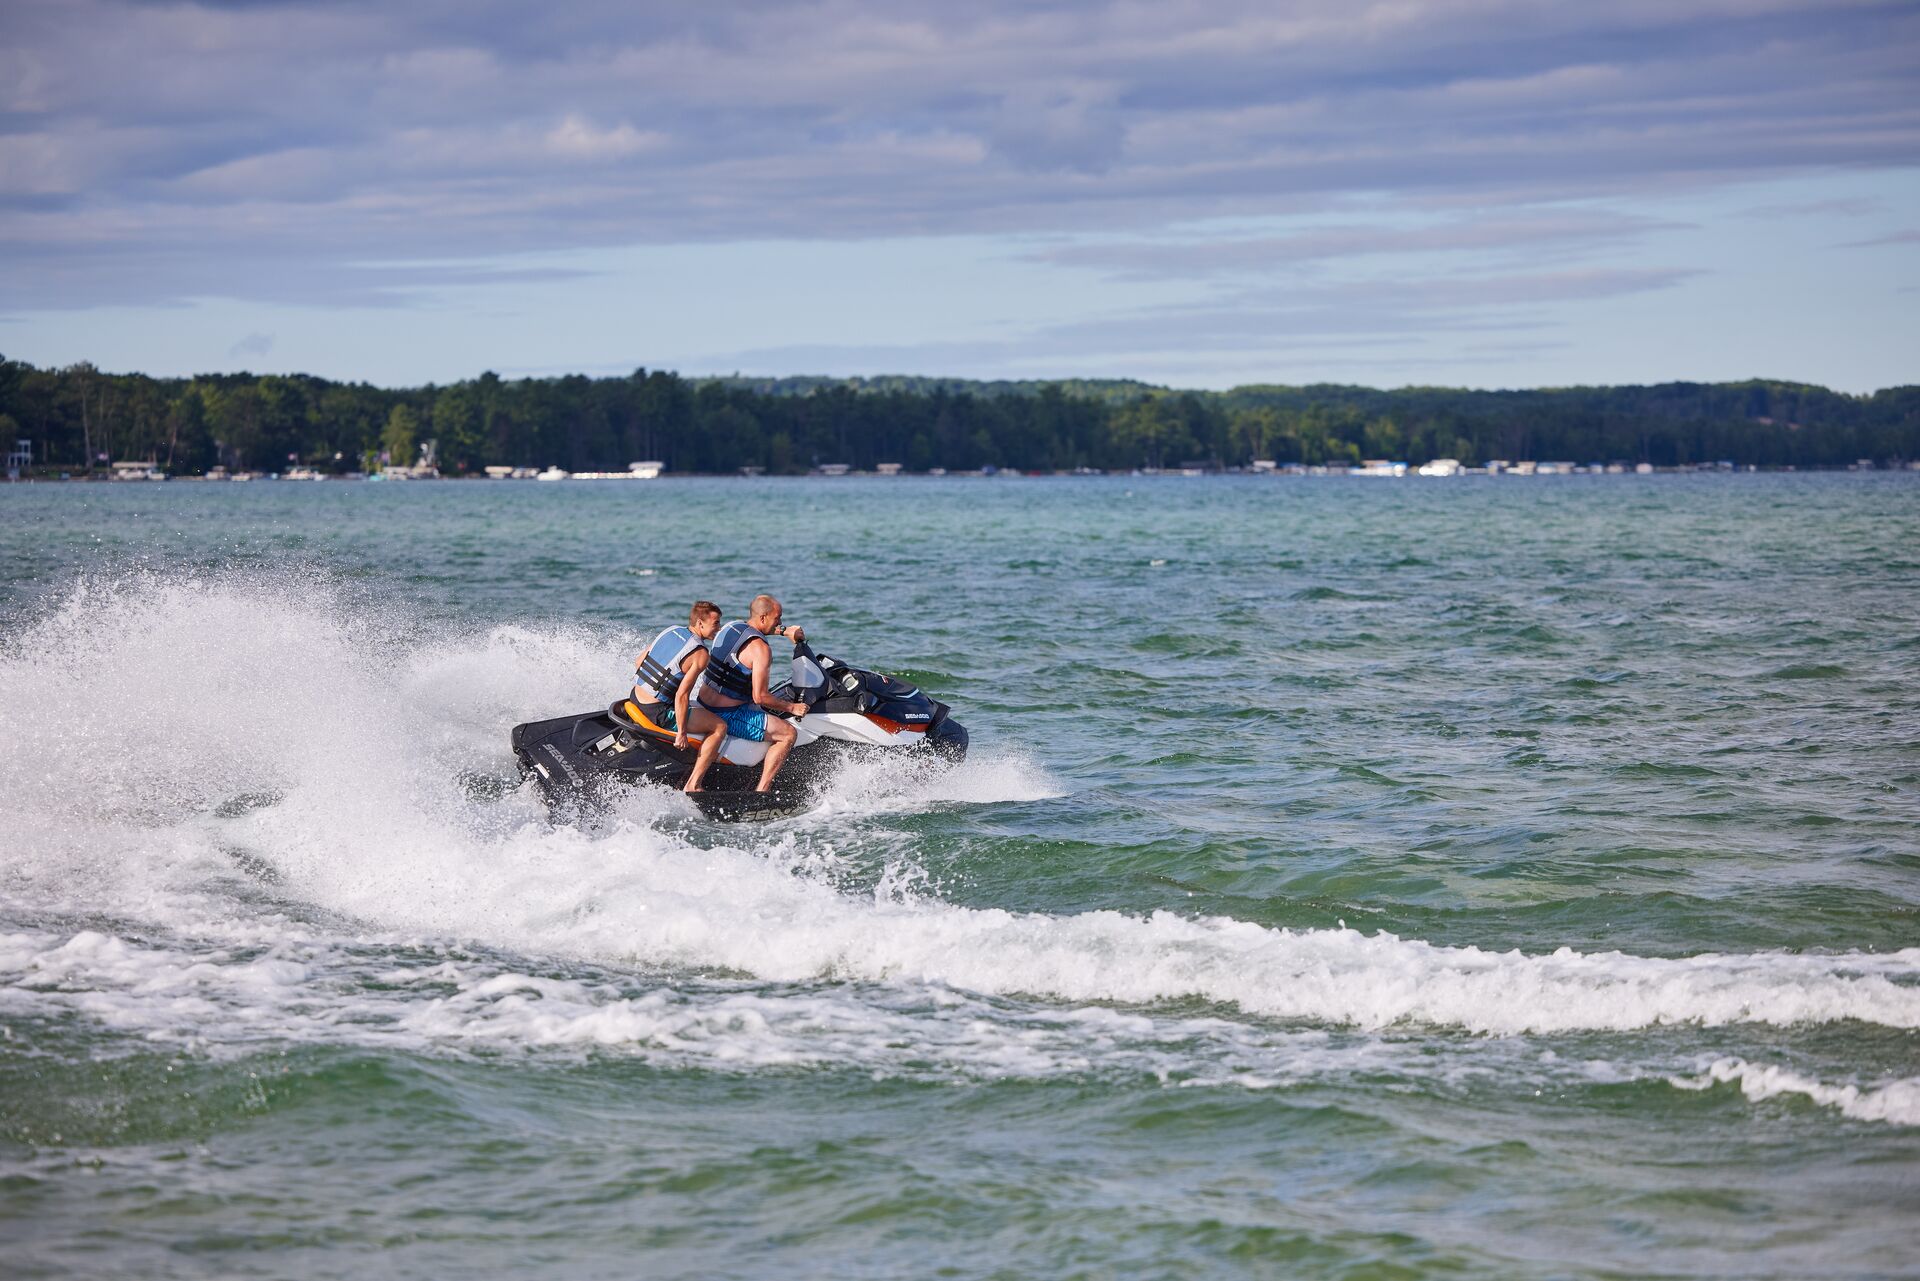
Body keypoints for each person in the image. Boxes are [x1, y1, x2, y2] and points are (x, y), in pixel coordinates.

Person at [683, 593, 808, 793]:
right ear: (763, 618)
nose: (781, 622)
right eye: (778, 619)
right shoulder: (761, 649)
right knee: (787, 733)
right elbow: (761, 697)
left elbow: (758, 629)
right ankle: (762, 791)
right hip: (727, 715)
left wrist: (785, 631)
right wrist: (793, 707)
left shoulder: (730, 627)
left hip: (704, 702)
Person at [630, 601, 728, 756]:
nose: (719, 628)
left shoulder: (671, 630)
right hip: (656, 713)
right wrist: (681, 733)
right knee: (719, 726)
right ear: (700, 623)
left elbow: (638, 662)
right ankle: (696, 777)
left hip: (635, 696)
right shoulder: (701, 654)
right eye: (715, 623)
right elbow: (681, 695)